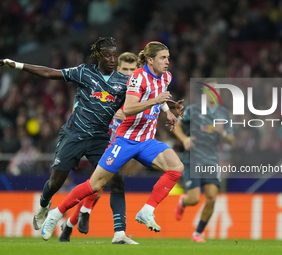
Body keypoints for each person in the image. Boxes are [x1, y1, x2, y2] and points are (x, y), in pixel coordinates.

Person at [40, 41, 184, 242]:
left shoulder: (166, 77)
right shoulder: (137, 77)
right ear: (150, 60)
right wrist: (156, 101)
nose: (168, 61)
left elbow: (157, 96)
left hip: (146, 140)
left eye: (168, 57)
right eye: (163, 57)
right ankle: (57, 213)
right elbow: (129, 108)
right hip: (124, 140)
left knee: (176, 167)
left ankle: (146, 211)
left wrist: (168, 111)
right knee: (94, 185)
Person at [0, 37, 137, 244]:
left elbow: (145, 97)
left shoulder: (123, 82)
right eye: (107, 55)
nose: (111, 59)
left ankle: (119, 233)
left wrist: (169, 107)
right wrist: (18, 64)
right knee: (56, 182)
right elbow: (49, 73)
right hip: (75, 133)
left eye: (114, 55)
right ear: (99, 55)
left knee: (116, 180)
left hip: (100, 137)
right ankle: (44, 204)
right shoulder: (84, 72)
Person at [58, 52, 139, 244]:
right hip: (96, 140)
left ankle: (69, 224)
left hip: (117, 145)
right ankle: (81, 213)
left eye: (132, 70)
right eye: (125, 69)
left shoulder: (136, 95)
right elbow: (81, 110)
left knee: (98, 187)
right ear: (118, 70)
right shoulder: (109, 88)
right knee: (99, 184)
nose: (128, 73)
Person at [173, 80, 235, 242]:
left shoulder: (223, 114)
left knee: (212, 198)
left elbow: (231, 140)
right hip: (193, 157)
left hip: (211, 160)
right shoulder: (193, 110)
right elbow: (176, 126)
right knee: (193, 199)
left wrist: (222, 134)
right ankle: (183, 201)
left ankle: (198, 233)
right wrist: (185, 139)